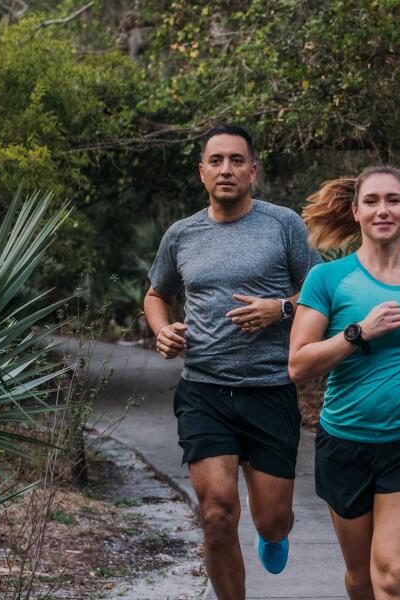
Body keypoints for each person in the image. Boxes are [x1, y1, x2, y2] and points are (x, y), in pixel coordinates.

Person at [143, 124, 321, 600]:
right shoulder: (182, 234)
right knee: (217, 515)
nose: (226, 169)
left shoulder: (282, 224)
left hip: (270, 389)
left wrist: (280, 308)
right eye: (216, 160)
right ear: (201, 171)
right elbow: (157, 295)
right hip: (204, 391)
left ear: (253, 171)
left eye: (237, 160)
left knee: (273, 519)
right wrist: (162, 329)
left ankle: (273, 532)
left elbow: (323, 291)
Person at [288, 165, 400, 600]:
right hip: (345, 444)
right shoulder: (328, 279)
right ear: (356, 212)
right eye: (371, 201)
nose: (382, 210)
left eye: (392, 200)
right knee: (361, 578)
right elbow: (298, 365)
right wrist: (357, 333)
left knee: (393, 573)